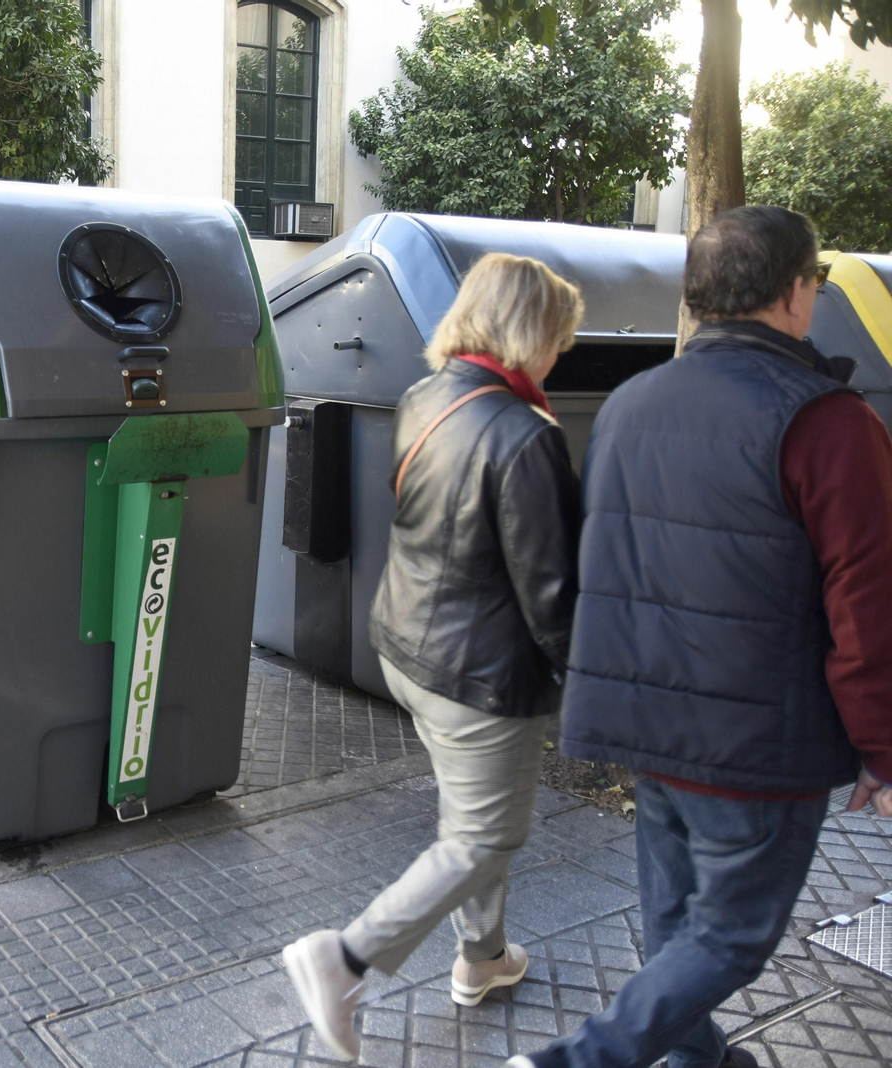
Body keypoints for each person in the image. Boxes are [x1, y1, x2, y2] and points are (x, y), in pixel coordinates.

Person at [508, 206, 892, 1068]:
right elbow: (868, 606)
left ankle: (696, 1061)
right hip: (756, 743)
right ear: (795, 292)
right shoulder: (829, 423)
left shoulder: (629, 404)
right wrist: (883, 746)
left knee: (675, 920)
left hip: (648, 724)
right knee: (729, 936)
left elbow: (605, 559)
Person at [283, 252, 585, 1061]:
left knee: (474, 811)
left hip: (408, 645)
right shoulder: (526, 435)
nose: (559, 357)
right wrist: (591, 686)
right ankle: (344, 959)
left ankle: (483, 957)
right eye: (558, 338)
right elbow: (552, 591)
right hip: (479, 673)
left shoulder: (425, 398)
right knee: (483, 839)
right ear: (528, 331)